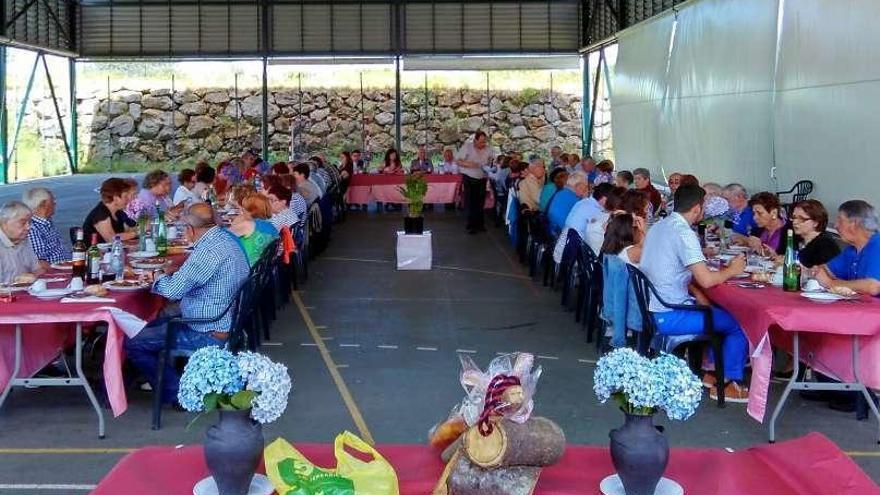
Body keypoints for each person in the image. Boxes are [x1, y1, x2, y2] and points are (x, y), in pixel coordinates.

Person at [125, 203, 250, 406]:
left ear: (190, 229)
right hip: (224, 318)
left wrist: (157, 275)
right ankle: (149, 378)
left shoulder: (207, 252)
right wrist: (173, 274)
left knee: (132, 341)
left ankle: (175, 392)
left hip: (206, 329)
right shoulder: (226, 238)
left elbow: (173, 291)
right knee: (150, 323)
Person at [641, 184, 750, 402]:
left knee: (717, 309)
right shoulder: (683, 233)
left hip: (656, 306)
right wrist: (733, 270)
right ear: (698, 208)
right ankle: (727, 382)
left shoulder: (660, 226)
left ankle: (712, 372)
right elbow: (707, 280)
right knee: (742, 322)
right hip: (672, 314)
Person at [812, 200, 880, 296]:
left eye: (840, 220)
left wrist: (830, 283)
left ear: (854, 223)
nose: (835, 225)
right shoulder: (852, 249)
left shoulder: (877, 244)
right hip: (858, 309)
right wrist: (820, 272)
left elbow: (873, 287)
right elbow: (825, 270)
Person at [553, 183, 619, 263]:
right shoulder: (596, 211)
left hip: (563, 247)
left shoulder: (584, 202)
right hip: (570, 256)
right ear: (604, 198)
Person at [456, 131, 495, 234]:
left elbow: (491, 160)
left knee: (480, 201)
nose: (483, 144)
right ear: (475, 140)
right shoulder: (467, 147)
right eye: (481, 142)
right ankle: (471, 225)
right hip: (469, 177)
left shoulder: (488, 149)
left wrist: (489, 166)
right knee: (471, 201)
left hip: (482, 177)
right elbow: (458, 161)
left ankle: (480, 224)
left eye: (484, 142)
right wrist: (468, 164)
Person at [228, 193, 279, 267]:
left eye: (244, 208)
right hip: (264, 271)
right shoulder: (272, 227)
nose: (242, 209)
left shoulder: (247, 225)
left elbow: (222, 237)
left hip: (247, 270)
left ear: (252, 211)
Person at [0, 201, 45, 284]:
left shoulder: (24, 240)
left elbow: (38, 270)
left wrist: (32, 275)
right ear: (4, 223)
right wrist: (16, 281)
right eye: (23, 222)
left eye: (29, 222)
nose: (28, 227)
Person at [22, 187, 69, 264]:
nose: (55, 203)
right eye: (52, 200)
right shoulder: (32, 229)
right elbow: (39, 264)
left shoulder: (46, 222)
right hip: (55, 271)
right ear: (43, 204)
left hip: (65, 265)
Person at [84, 178, 137, 243]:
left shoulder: (118, 212)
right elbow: (111, 239)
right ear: (116, 198)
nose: (129, 200)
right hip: (94, 252)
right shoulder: (101, 214)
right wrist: (137, 233)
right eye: (125, 197)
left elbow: (127, 230)